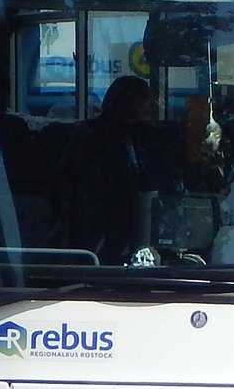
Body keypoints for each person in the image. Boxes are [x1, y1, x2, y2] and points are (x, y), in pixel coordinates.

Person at [67, 76, 165, 262]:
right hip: (96, 223)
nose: (144, 110)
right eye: (137, 102)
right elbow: (76, 181)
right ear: (116, 102)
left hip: (144, 219)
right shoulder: (90, 136)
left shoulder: (149, 136)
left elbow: (158, 176)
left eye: (145, 104)